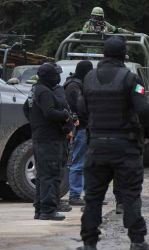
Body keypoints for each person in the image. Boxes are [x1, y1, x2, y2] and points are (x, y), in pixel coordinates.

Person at [78, 36, 149, 250]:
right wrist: (147, 132)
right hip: (125, 147)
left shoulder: (89, 79)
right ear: (124, 55)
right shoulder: (131, 80)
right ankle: (137, 242)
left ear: (104, 55)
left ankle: (89, 244)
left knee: (93, 197)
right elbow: (143, 110)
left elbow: (81, 108)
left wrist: (92, 128)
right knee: (130, 194)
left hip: (96, 147)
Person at [23, 63, 73, 221]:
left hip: (41, 136)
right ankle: (48, 210)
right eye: (56, 75)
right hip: (49, 138)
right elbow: (50, 112)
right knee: (50, 174)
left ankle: (40, 209)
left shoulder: (35, 89)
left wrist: (36, 124)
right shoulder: (44, 91)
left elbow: (26, 108)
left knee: (42, 175)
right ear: (50, 76)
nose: (58, 78)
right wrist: (65, 116)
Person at [64, 60, 93, 206]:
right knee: (78, 162)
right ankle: (74, 195)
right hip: (80, 128)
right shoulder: (73, 86)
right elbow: (78, 107)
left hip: (86, 127)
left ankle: (89, 195)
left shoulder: (79, 84)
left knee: (88, 163)